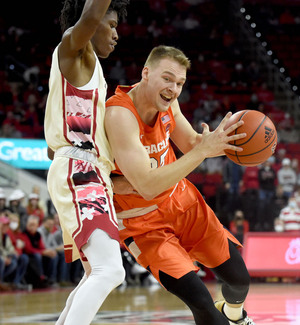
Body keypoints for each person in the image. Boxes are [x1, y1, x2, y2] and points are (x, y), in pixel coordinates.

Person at [105, 45, 255, 325]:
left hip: (182, 202)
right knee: (199, 299)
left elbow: (191, 143)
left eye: (180, 83)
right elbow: (148, 186)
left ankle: (236, 316)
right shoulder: (119, 115)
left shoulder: (167, 102)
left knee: (239, 280)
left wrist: (235, 144)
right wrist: (201, 151)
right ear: (146, 73)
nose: (173, 89)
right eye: (167, 79)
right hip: (143, 224)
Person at [44, 1, 129, 324]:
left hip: (89, 172)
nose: (116, 34)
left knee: (97, 270)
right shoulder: (73, 50)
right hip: (80, 170)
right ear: (92, 25)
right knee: (110, 270)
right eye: (111, 25)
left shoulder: (91, 70)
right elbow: (91, 14)